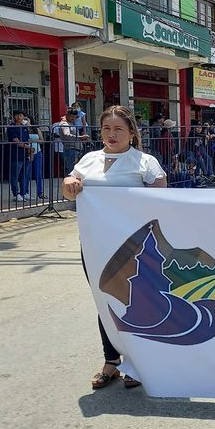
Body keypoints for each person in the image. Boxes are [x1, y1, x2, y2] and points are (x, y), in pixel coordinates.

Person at [62, 105, 167, 390]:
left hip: (135, 247)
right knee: (104, 299)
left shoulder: (145, 162)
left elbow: (162, 200)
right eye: (106, 128)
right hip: (95, 244)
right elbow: (69, 189)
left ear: (131, 133)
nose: (111, 134)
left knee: (136, 301)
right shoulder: (88, 160)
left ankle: (139, 361)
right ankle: (111, 361)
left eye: (118, 129)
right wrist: (69, 182)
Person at [7, 110, 31, 203]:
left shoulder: (24, 127)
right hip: (16, 154)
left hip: (25, 154)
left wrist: (29, 151)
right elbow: (16, 141)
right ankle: (16, 194)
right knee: (15, 175)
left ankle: (24, 192)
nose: (19, 117)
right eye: (17, 115)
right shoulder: (11, 127)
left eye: (21, 115)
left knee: (24, 175)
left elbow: (28, 140)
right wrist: (26, 146)